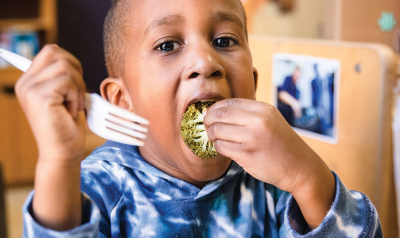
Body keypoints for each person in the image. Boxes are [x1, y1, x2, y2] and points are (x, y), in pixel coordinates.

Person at [18, 0, 381, 237]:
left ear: (252, 86)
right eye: (167, 45)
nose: (206, 62)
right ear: (121, 100)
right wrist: (60, 160)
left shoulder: (275, 184)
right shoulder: (99, 188)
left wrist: (306, 176)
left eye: (224, 40)